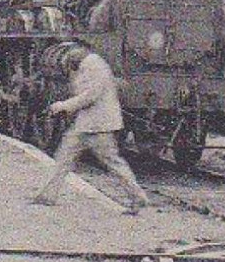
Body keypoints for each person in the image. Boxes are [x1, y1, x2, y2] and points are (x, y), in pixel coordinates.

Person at [33, 43, 149, 214]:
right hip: (88, 124)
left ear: (75, 60)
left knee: (110, 162)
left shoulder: (94, 67)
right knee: (65, 157)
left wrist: (62, 106)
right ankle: (47, 195)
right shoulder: (92, 65)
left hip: (98, 125)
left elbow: (88, 96)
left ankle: (138, 197)